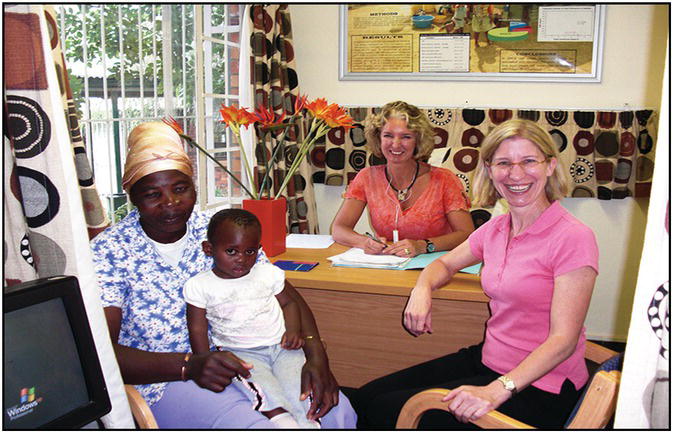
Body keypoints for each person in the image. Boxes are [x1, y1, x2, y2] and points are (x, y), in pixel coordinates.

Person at [90, 121, 356, 429]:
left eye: (180, 189)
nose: (171, 203)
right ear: (132, 197)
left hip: (253, 358)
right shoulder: (109, 252)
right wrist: (189, 365)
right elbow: (100, 352)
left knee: (336, 413)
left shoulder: (219, 229)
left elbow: (287, 296)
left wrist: (316, 355)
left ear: (194, 186)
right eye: (153, 194)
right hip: (164, 381)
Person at [350, 119, 599, 429]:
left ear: (549, 166)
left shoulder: (573, 236)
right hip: (489, 360)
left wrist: (497, 390)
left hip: (540, 385)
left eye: (529, 161)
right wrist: (422, 290)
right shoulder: (497, 228)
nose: (516, 174)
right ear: (489, 169)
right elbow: (443, 264)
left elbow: (563, 340)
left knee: (387, 412)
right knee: (367, 397)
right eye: (504, 163)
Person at [184, 208, 319, 428]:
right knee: (264, 386)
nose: (242, 259)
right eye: (231, 251)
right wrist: (204, 359)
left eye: (250, 252)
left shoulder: (267, 273)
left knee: (297, 386)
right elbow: (197, 329)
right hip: (242, 352)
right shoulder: (200, 285)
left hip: (283, 347)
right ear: (209, 249)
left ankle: (308, 424)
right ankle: (282, 419)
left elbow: (289, 303)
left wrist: (294, 330)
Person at [331, 101, 474, 258]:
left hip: (437, 264)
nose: (396, 144)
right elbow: (339, 228)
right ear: (378, 138)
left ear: (418, 140)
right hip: (388, 265)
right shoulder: (367, 177)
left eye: (406, 137)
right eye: (388, 135)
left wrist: (423, 246)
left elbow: (466, 234)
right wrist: (364, 242)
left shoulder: (444, 180)